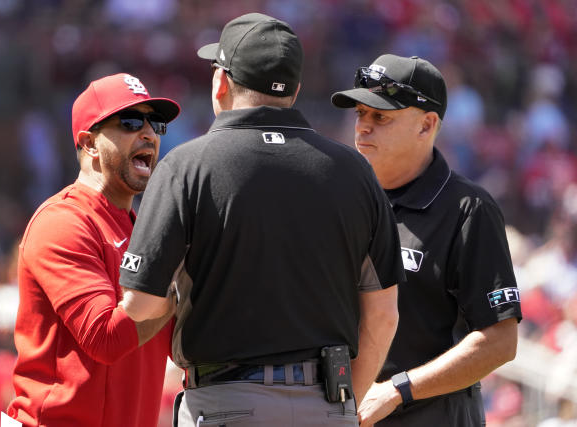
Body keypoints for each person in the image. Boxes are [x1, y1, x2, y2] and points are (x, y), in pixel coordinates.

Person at [118, 13, 405, 427]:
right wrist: (343, 409)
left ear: (220, 82)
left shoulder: (186, 166)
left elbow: (141, 304)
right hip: (326, 403)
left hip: (225, 402)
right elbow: (383, 316)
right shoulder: (354, 171)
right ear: (295, 90)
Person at [331, 54, 522, 426]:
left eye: (380, 117)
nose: (363, 128)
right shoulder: (339, 199)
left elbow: (500, 341)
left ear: (427, 125)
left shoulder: (468, 209)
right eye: (360, 114)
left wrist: (398, 389)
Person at [7, 73, 180, 427]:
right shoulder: (62, 222)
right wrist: (178, 289)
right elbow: (106, 338)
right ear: (89, 143)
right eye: (131, 122)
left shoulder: (142, 228)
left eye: (154, 123)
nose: (148, 133)